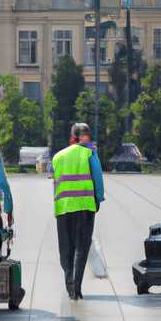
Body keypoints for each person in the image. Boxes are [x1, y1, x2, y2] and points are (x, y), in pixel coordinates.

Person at [53, 123, 104, 300]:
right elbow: (98, 178)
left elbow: (56, 182)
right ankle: (76, 287)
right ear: (87, 137)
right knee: (81, 249)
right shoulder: (90, 153)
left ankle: (69, 285)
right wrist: (98, 200)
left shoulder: (58, 156)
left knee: (66, 249)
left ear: (72, 137)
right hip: (85, 206)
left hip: (63, 208)